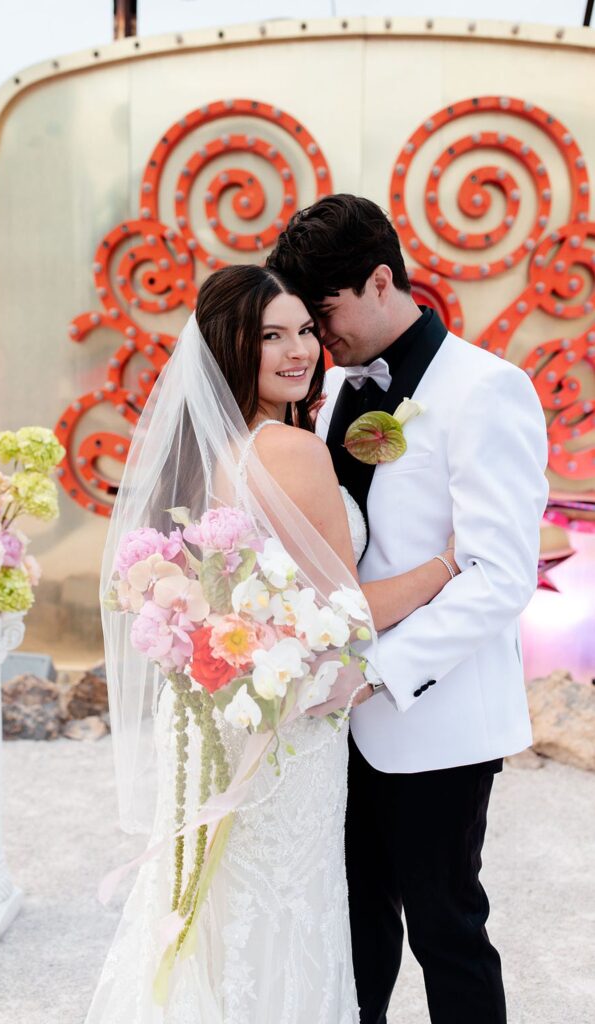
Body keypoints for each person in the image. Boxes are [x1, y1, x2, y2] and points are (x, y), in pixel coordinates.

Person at [87, 264, 460, 1023]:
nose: (299, 351)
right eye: (271, 336)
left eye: (303, 332)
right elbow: (348, 611)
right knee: (283, 901)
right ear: (231, 345)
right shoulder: (291, 451)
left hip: (212, 710)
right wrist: (444, 564)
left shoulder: (199, 454)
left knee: (209, 901)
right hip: (283, 726)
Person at [267, 193, 549, 1024]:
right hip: (333, 721)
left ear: (380, 280)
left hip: (433, 716)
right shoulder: (332, 392)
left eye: (322, 315)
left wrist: (373, 674)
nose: (316, 341)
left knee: (446, 929)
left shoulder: (486, 389)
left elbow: (499, 575)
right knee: (351, 926)